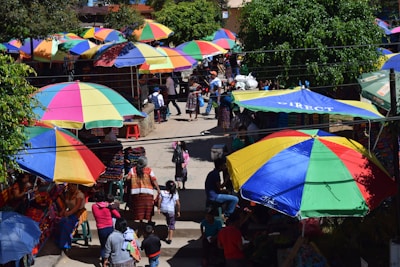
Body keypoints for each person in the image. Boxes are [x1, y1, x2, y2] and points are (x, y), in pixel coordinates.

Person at [126, 156, 161, 225]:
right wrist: (158, 189)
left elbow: (128, 178)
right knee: (149, 208)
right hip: (148, 192)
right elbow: (154, 180)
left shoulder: (132, 170)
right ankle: (149, 221)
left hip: (136, 193)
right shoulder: (148, 170)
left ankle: (141, 221)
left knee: (139, 208)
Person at [92, 191, 121, 264]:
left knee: (103, 245)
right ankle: (110, 260)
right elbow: (118, 215)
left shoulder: (94, 206)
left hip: (101, 228)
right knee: (110, 245)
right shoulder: (108, 206)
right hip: (110, 228)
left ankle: (103, 261)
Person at [55, 183, 86, 250]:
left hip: (78, 213)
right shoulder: (68, 194)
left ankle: (66, 245)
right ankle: (59, 242)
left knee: (67, 225)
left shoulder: (79, 194)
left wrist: (69, 213)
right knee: (60, 222)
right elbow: (66, 205)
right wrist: (62, 211)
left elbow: (77, 207)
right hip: (69, 212)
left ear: (76, 186)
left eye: (73, 186)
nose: (71, 187)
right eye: (70, 186)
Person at [158, 180, 180, 244]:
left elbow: (159, 201)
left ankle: (168, 224)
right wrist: (178, 211)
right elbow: (178, 203)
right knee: (171, 224)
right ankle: (170, 239)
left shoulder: (162, 192)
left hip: (163, 209)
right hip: (171, 210)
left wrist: (159, 208)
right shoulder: (175, 193)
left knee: (168, 217)